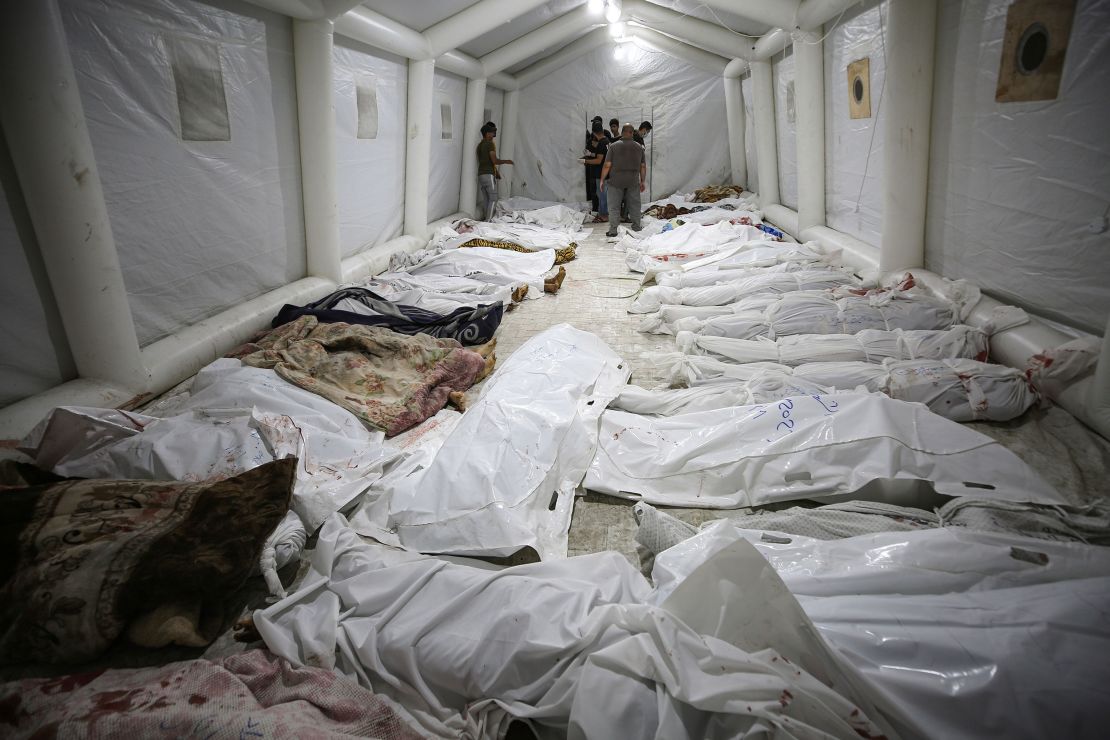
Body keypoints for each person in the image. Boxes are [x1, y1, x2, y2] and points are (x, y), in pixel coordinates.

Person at [599, 123, 646, 237]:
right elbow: (643, 166)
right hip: (633, 181)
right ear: (631, 132)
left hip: (616, 181)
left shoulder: (614, 146)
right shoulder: (639, 147)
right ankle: (636, 227)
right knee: (634, 205)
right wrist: (642, 181)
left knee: (614, 206)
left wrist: (602, 180)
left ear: (622, 132)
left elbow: (607, 165)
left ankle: (613, 230)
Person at [477, 122, 512, 221]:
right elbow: (494, 160)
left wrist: (496, 172)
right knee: (493, 199)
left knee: (486, 199)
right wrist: (506, 161)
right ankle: (488, 222)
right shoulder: (489, 144)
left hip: (481, 174)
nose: (493, 135)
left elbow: (485, 161)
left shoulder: (480, 145)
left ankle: (485, 218)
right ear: (487, 134)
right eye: (492, 133)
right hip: (488, 175)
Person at [582, 122, 611, 223]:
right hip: (606, 173)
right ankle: (603, 212)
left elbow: (598, 160)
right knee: (603, 194)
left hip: (601, 173)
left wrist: (585, 161)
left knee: (602, 195)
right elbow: (601, 155)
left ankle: (604, 215)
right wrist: (591, 153)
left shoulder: (601, 143)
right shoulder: (607, 141)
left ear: (594, 133)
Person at [584, 116, 603, 212]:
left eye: (596, 123)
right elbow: (588, 148)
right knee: (593, 190)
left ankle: (602, 210)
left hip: (600, 168)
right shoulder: (591, 136)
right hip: (592, 167)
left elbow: (602, 155)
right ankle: (595, 209)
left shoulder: (604, 137)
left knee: (601, 190)